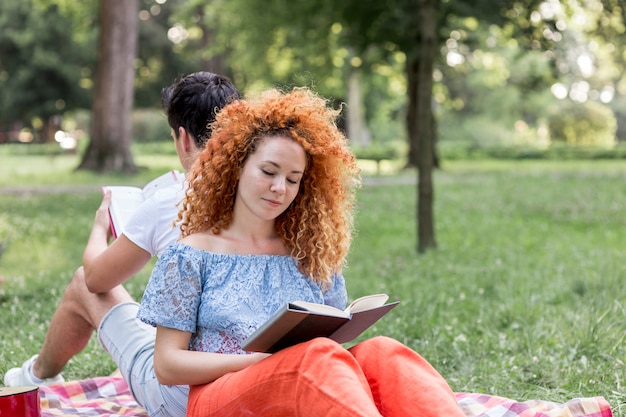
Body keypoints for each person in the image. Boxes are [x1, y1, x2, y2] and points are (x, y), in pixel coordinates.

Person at [137, 87, 466, 417]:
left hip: (298, 387)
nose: (280, 188)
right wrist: (262, 362)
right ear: (237, 166)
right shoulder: (190, 256)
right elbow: (167, 364)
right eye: (268, 172)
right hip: (221, 396)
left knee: (383, 352)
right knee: (312, 360)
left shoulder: (309, 252)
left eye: (293, 180)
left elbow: (331, 343)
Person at [4, 72, 241, 417]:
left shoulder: (171, 201)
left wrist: (101, 227)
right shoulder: (269, 196)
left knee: (83, 284)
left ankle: (33, 376)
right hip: (245, 378)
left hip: (183, 395)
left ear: (183, 138)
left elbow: (97, 280)